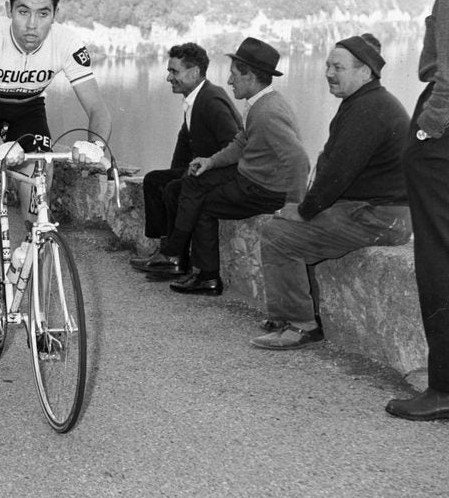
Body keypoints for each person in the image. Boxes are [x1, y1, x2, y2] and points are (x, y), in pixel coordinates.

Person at [0, 0, 111, 294]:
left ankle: (28, 244)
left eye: (43, 14)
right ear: (9, 9)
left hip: (27, 107)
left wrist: (96, 146)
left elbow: (98, 108)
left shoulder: (66, 43)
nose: (32, 25)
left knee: (40, 173)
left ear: (55, 14)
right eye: (23, 11)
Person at [252, 34, 412, 350]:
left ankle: (301, 325)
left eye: (337, 67)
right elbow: (332, 167)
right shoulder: (363, 102)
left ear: (365, 72)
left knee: (279, 234)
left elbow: (337, 173)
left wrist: (304, 209)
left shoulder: (369, 109)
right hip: (374, 211)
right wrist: (309, 207)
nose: (328, 72)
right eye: (327, 65)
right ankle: (286, 315)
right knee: (284, 229)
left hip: (379, 216)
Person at [148, 37, 310, 296]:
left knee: (201, 201)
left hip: (264, 189)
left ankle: (199, 271)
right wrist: (210, 161)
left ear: (251, 76)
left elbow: (299, 159)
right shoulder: (259, 104)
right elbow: (240, 143)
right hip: (253, 181)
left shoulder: (267, 113)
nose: (230, 80)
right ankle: (199, 271)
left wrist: (294, 207)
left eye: (235, 74)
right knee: (197, 188)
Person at [387, 0, 449, 421]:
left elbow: (447, 76)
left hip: (441, 139)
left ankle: (443, 389)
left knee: (437, 260)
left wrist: (428, 131)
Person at [130, 43, 242, 275]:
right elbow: (183, 149)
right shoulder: (195, 99)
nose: (169, 77)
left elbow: (234, 144)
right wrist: (177, 174)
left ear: (194, 73)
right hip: (202, 170)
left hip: (221, 173)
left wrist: (196, 171)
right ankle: (165, 251)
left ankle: (174, 256)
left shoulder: (211, 100)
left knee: (173, 188)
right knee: (153, 181)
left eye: (174, 72)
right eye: (169, 71)